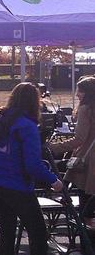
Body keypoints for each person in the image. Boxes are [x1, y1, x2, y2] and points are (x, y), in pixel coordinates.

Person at [0, 82, 63, 255]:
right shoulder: (26, 126)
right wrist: (53, 180)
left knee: (7, 233)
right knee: (38, 234)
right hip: (15, 184)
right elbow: (32, 164)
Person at [49, 76, 95, 225]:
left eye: (79, 90)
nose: (77, 94)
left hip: (89, 161)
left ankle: (86, 242)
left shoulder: (85, 109)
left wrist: (54, 147)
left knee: (85, 202)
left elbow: (79, 139)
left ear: (87, 92)